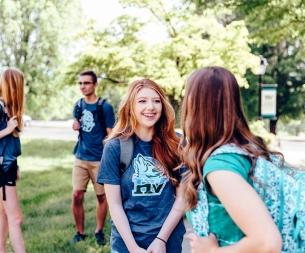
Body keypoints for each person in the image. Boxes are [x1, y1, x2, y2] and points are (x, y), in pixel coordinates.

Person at [180, 66, 282, 253]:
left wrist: (210, 251)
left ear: (195, 106)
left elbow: (267, 242)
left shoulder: (221, 167)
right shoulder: (243, 151)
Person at [97, 79, 186, 253]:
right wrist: (133, 248)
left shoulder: (177, 144)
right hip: (127, 243)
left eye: (156, 101)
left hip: (168, 241)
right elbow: (114, 205)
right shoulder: (115, 146)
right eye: (142, 101)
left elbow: (182, 198)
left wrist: (161, 240)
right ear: (130, 106)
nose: (151, 107)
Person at [71, 70, 115, 245]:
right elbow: (77, 123)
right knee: (76, 195)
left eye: (87, 83)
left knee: (101, 197)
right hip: (81, 158)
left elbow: (111, 135)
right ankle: (80, 232)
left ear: (95, 84)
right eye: (80, 83)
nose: (83, 86)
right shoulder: (78, 105)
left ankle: (98, 231)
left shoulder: (105, 107)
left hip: (99, 160)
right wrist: (75, 124)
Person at [0, 68, 26, 253]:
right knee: (15, 218)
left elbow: (10, 144)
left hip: (8, 165)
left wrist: (15, 165)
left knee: (3, 216)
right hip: (2, 168)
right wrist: (8, 129)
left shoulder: (8, 108)